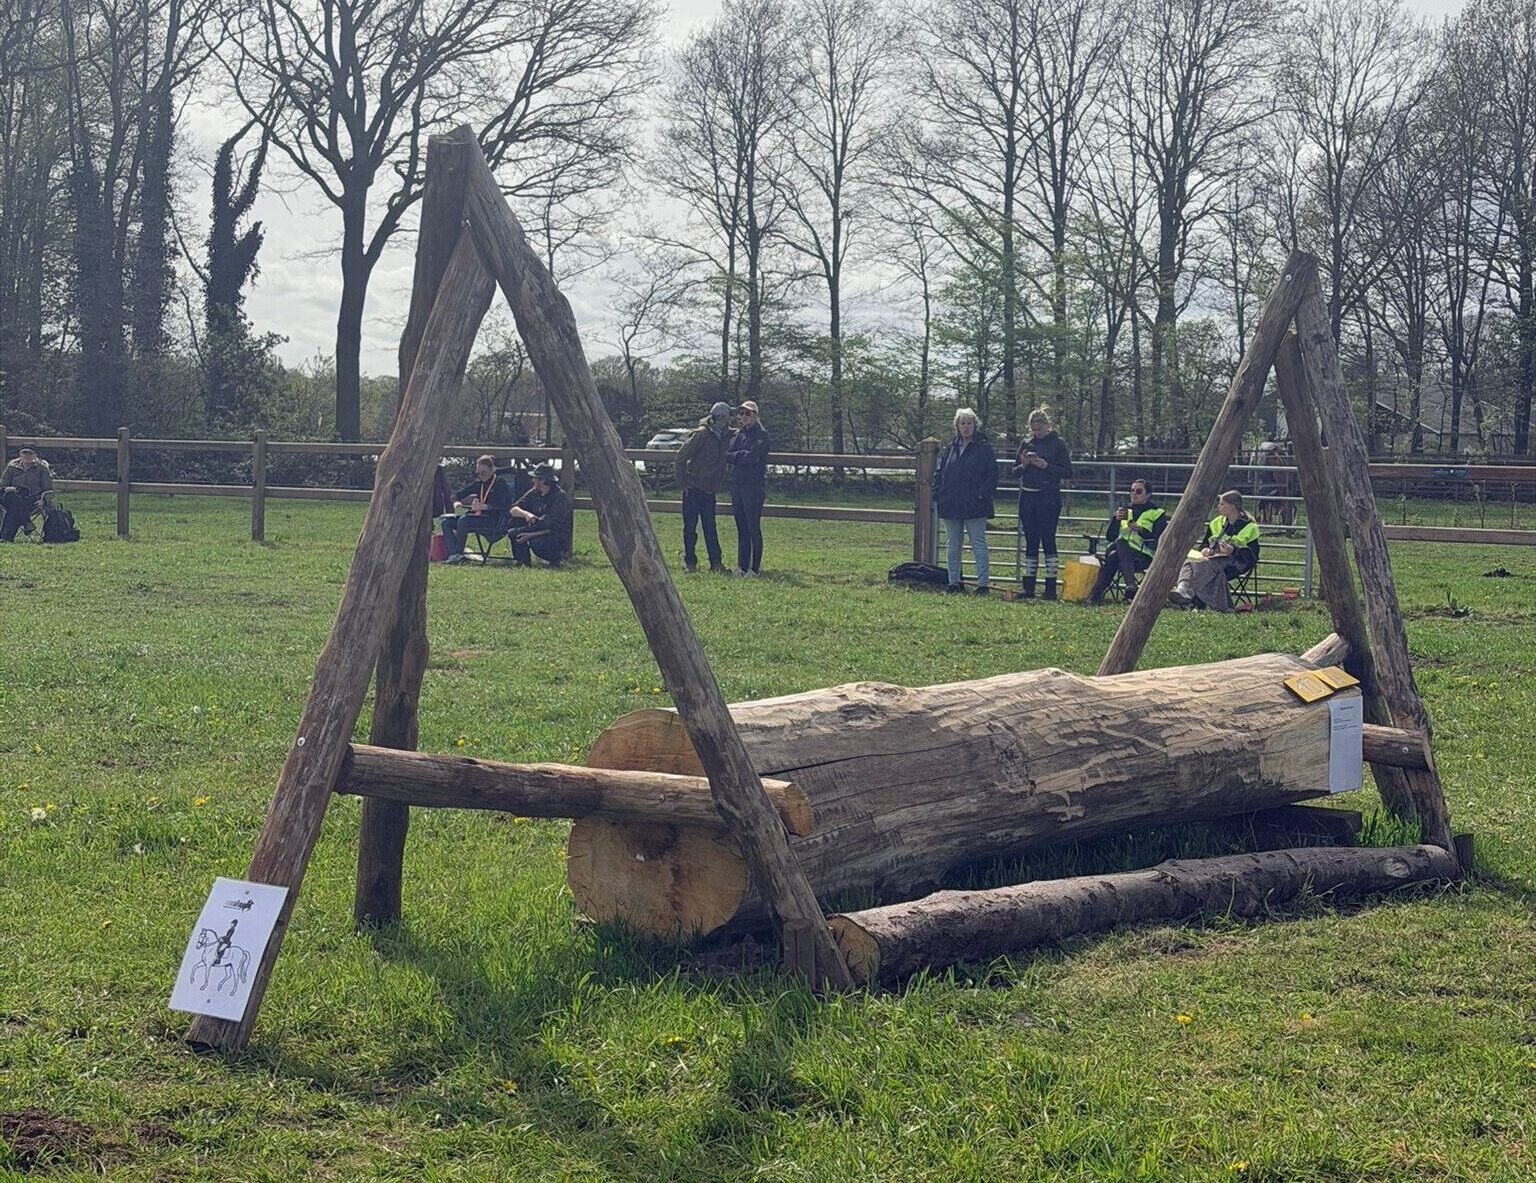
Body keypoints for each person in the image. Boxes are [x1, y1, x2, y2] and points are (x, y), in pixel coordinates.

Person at [933, 407, 997, 594]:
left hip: (976, 505)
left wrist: (981, 495)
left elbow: (992, 475)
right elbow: (940, 473)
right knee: (953, 545)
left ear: (975, 426)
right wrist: (938, 493)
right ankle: (953, 582)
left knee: (978, 543)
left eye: (969, 423)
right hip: (951, 503)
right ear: (957, 426)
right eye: (963, 423)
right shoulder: (951, 448)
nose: (966, 427)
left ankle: (983, 584)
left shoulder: (984, 448)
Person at [1012, 406, 1073, 599]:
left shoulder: (1058, 444)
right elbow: (1014, 472)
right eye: (1033, 430)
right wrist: (1024, 464)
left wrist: (1047, 466)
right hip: (1027, 497)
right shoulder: (1026, 443)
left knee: (1048, 539)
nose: (1036, 433)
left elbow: (1067, 472)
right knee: (1031, 540)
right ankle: (1028, 586)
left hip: (1049, 498)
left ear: (1047, 426)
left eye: (1039, 429)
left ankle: (1050, 588)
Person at [1169, 489, 1261, 611]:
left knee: (1201, 566)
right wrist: (1206, 550)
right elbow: (1204, 545)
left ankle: (1187, 592)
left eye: (1222, 504)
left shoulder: (1250, 527)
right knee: (1197, 564)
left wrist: (1233, 551)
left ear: (1232, 506)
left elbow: (1252, 556)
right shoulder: (1216, 523)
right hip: (1213, 560)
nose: (1219, 507)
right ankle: (1223, 607)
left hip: (1237, 563)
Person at [1089, 477, 1167, 604]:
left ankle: (1093, 597)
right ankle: (1130, 587)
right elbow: (1110, 537)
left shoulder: (1157, 513)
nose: (1134, 494)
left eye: (1139, 491)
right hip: (1123, 555)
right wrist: (1116, 520)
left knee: (1115, 552)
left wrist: (1141, 530)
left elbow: (1159, 538)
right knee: (1116, 552)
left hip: (1144, 556)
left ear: (1148, 495)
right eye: (1132, 491)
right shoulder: (1125, 510)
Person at [675, 401, 731, 573]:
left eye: (726, 417)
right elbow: (681, 457)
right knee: (690, 528)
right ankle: (690, 562)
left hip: (709, 489)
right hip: (693, 487)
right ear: (715, 418)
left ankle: (716, 563)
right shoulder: (701, 434)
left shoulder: (726, 435)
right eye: (721, 417)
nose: (724, 420)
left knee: (710, 527)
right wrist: (682, 483)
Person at [440, 454, 515, 564]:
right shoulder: (479, 483)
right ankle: (454, 554)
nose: (480, 476)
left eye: (483, 473)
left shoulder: (500, 483)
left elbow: (504, 506)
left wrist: (485, 507)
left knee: (464, 520)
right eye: (478, 473)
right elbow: (460, 493)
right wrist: (455, 500)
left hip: (493, 520)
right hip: (477, 517)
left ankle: (459, 553)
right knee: (446, 522)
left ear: (492, 470)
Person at [726, 399, 770, 576]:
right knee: (741, 527)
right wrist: (740, 455)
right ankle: (742, 566)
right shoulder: (740, 434)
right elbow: (728, 454)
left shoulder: (762, 435)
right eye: (742, 413)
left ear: (756, 416)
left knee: (753, 527)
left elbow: (752, 457)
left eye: (748, 413)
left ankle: (754, 568)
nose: (744, 417)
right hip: (737, 484)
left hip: (753, 487)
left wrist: (738, 456)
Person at [506, 463, 572, 567]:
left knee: (537, 542)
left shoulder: (559, 497)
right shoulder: (534, 492)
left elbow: (555, 527)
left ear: (543, 480)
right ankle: (523, 562)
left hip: (555, 536)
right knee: (513, 532)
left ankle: (556, 559)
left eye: (535, 478)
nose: (533, 480)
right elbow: (513, 509)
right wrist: (526, 514)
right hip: (537, 527)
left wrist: (529, 535)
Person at [1, 447, 54, 542]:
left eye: (30, 453)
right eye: (24, 453)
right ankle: (26, 522)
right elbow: (2, 485)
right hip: (10, 497)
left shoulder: (42, 469)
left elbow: (48, 489)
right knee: (11, 495)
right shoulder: (11, 468)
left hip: (32, 499)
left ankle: (6, 537)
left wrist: (43, 500)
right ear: (20, 455)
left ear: (35, 455)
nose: (27, 456)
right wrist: (9, 488)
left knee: (14, 507)